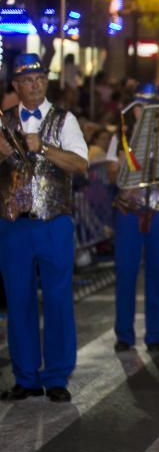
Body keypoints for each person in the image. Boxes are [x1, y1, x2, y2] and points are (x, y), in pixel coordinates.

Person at [0, 53, 89, 402]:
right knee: (18, 301)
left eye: (39, 78)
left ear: (45, 82)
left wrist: (45, 147)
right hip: (13, 226)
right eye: (27, 79)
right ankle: (25, 376)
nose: (34, 84)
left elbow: (81, 163)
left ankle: (56, 376)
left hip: (54, 223)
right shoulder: (4, 122)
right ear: (16, 86)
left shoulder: (64, 120)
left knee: (57, 299)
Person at [110, 82, 159, 353]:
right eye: (140, 106)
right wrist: (121, 175)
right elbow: (113, 175)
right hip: (129, 212)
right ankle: (124, 335)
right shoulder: (122, 137)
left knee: (158, 273)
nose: (145, 112)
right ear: (134, 109)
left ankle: (154, 335)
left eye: (150, 107)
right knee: (125, 273)